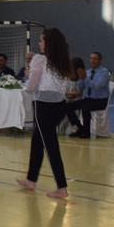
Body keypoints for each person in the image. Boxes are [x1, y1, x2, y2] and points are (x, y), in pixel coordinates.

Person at [18, 28, 72, 199]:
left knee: (50, 145)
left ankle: (62, 187)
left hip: (43, 106)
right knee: (37, 141)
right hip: (59, 105)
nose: (39, 44)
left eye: (41, 41)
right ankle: (31, 179)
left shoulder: (40, 59)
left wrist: (28, 75)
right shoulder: (63, 61)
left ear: (48, 43)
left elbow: (32, 86)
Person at [70, 51, 111, 138]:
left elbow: (97, 86)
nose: (92, 60)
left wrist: (85, 78)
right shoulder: (88, 72)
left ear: (100, 60)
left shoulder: (104, 72)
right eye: (91, 58)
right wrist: (80, 79)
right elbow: (82, 87)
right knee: (68, 106)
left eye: (95, 58)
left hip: (100, 101)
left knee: (85, 108)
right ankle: (80, 128)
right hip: (88, 99)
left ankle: (86, 132)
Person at [63, 57, 87, 134]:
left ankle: (77, 127)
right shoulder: (67, 77)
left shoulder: (83, 78)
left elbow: (80, 93)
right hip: (68, 98)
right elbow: (65, 90)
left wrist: (69, 94)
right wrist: (67, 93)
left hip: (79, 100)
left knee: (67, 106)